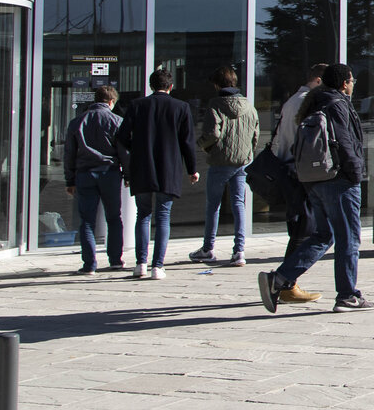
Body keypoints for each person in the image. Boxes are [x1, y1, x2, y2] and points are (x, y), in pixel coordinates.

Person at [259, 63, 374, 313]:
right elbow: (345, 142)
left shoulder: (312, 102)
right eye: (351, 80)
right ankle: (347, 295)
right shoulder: (338, 104)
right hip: (339, 180)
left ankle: (279, 279)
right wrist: (356, 176)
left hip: (314, 180)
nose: (353, 84)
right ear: (344, 83)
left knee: (324, 235)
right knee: (348, 238)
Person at [115, 69, 200, 280]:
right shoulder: (181, 107)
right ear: (171, 86)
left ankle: (141, 263)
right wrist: (192, 169)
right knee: (163, 216)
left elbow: (121, 137)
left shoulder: (137, 106)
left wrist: (136, 148)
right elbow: (187, 142)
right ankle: (157, 266)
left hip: (142, 167)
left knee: (142, 214)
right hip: (168, 168)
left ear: (151, 86)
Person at [191, 67, 258, 267]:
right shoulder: (248, 105)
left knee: (213, 205)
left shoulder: (215, 104)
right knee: (239, 204)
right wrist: (247, 153)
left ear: (217, 84)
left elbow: (213, 133)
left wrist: (201, 145)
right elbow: (255, 135)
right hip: (242, 161)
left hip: (220, 160)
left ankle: (208, 248)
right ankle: (239, 251)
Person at [63, 85, 125, 274]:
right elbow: (124, 151)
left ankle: (89, 264)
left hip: (85, 174)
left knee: (87, 221)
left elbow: (69, 154)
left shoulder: (77, 122)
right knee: (114, 217)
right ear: (111, 102)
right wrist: (129, 174)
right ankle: (115, 260)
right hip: (110, 173)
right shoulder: (117, 121)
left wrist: (70, 180)